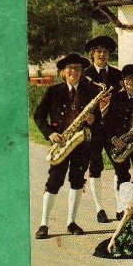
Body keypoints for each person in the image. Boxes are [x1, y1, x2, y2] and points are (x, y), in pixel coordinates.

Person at [33, 53, 104, 239]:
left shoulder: (90, 92)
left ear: (82, 72)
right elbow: (38, 116)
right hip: (61, 143)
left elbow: (98, 122)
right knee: (54, 181)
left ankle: (71, 222)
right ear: (64, 72)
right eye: (70, 68)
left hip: (81, 144)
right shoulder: (53, 91)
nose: (74, 72)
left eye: (78, 68)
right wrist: (50, 133)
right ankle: (44, 224)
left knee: (77, 180)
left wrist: (92, 119)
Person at [101, 63, 133, 221]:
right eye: (127, 78)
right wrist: (114, 139)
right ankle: (122, 207)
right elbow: (108, 122)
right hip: (121, 143)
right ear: (123, 81)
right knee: (122, 175)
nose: (130, 81)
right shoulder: (117, 97)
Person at [83, 35, 121, 223]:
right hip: (94, 127)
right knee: (95, 166)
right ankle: (99, 208)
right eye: (99, 51)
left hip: (113, 128)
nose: (102, 55)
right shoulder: (86, 75)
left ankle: (120, 206)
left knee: (119, 165)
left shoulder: (117, 74)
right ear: (92, 54)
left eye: (106, 52)